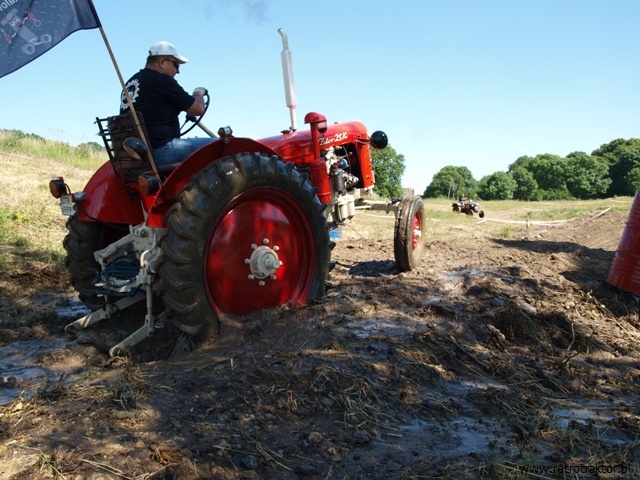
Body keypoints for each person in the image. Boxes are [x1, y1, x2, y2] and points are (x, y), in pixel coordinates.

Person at [120, 40, 216, 166]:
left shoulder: (130, 83)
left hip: (136, 155)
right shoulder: (161, 80)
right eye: (176, 65)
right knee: (221, 145)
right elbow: (198, 109)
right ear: (162, 62)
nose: (178, 71)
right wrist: (198, 93)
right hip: (160, 152)